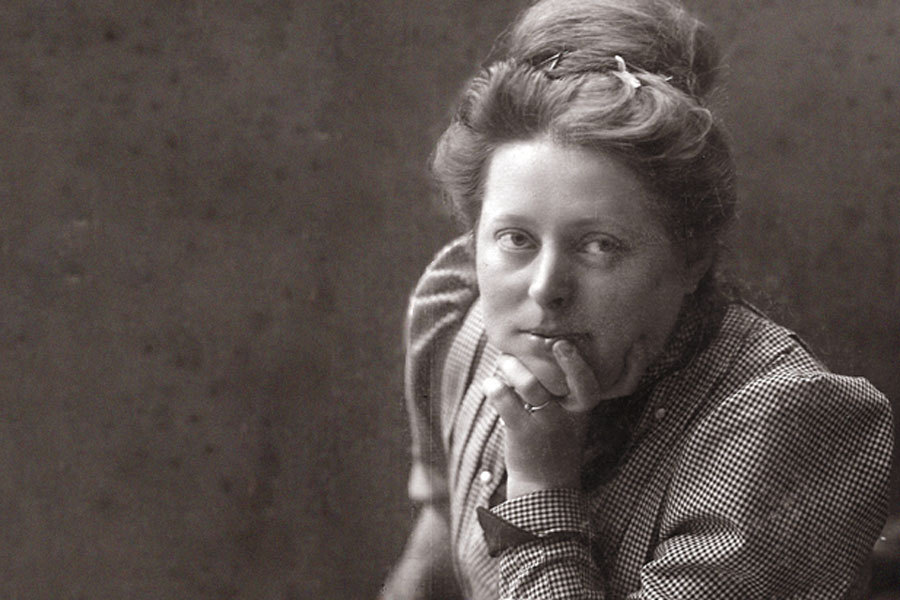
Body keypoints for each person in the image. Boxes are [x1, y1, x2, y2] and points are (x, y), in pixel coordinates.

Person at [379, 0, 894, 598]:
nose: (545, 288)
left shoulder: (783, 425)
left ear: (691, 257)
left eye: (600, 245)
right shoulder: (460, 312)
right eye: (516, 239)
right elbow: (439, 534)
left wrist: (541, 485)